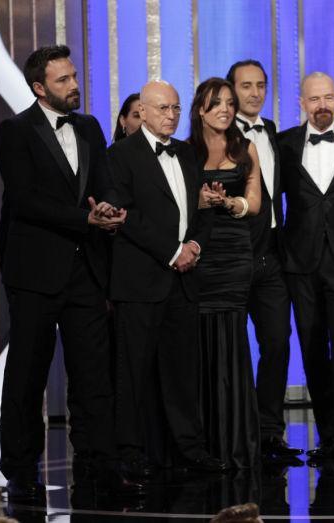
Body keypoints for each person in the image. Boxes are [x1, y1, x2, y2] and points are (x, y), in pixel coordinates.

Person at [0, 45, 139, 499]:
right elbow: (24, 199)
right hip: (36, 271)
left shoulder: (91, 126)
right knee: (27, 374)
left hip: (86, 270)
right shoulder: (15, 130)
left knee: (93, 374)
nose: (74, 85)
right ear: (39, 88)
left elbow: (105, 182)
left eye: (74, 76)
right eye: (62, 80)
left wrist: (112, 206)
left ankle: (99, 464)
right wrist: (85, 220)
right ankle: (20, 469)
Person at [108, 80, 226, 475]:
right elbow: (127, 216)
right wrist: (172, 251)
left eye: (176, 108)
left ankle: (188, 450)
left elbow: (202, 209)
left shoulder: (186, 153)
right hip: (141, 280)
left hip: (184, 279)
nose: (171, 115)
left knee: (182, 372)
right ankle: (130, 452)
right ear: (142, 110)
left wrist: (194, 245)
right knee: (134, 372)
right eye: (162, 108)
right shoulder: (120, 155)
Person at [277, 72, 334, 461]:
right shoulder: (283, 144)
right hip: (300, 261)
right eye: (314, 99)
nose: (322, 105)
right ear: (302, 103)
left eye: (328, 97)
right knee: (313, 348)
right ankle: (329, 432)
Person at [226, 60, 302, 461]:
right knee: (233, 348)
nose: (254, 93)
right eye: (246, 86)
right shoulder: (216, 134)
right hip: (234, 254)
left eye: (261, 85)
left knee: (277, 342)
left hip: (272, 254)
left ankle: (271, 431)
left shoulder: (271, 130)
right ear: (231, 89)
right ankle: (237, 433)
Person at [188, 76, 262, 470]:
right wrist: (199, 200)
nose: (226, 110)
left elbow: (254, 203)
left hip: (235, 256)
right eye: (217, 103)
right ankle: (201, 443)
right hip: (198, 255)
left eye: (230, 103)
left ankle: (236, 444)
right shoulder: (185, 152)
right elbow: (175, 204)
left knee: (231, 343)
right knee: (198, 344)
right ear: (200, 108)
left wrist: (230, 202)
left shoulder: (245, 147)